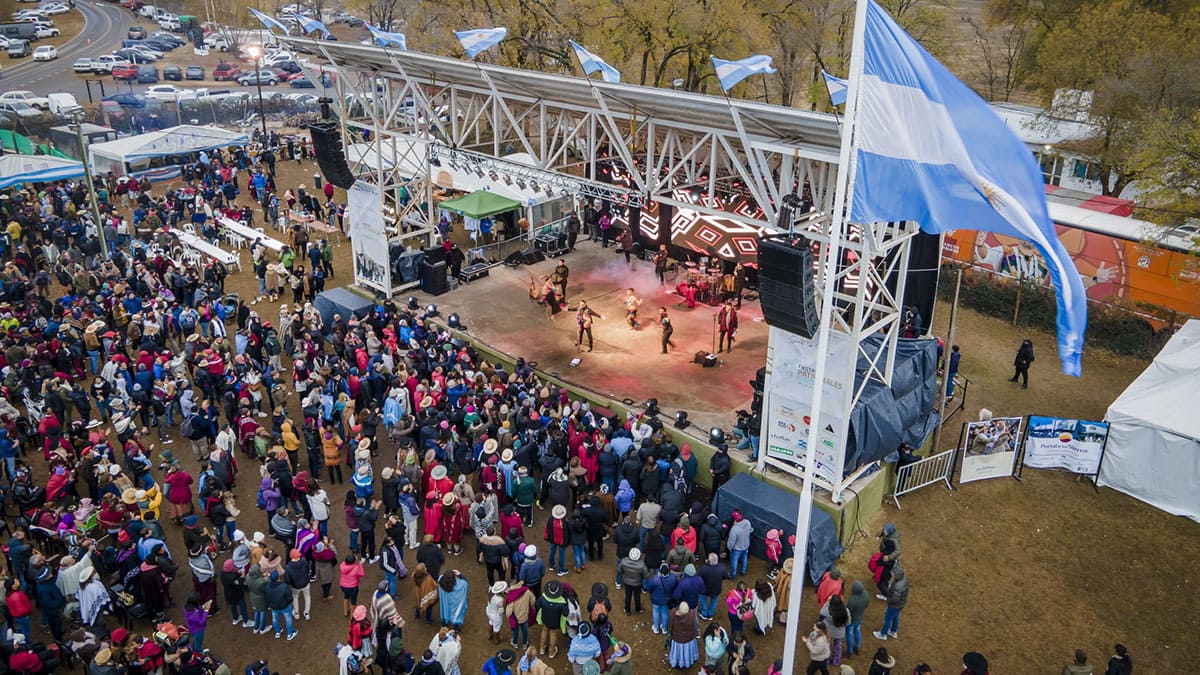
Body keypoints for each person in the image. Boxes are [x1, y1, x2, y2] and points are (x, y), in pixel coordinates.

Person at [872, 564, 907, 641]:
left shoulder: (898, 586)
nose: (892, 575)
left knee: (887, 619)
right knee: (895, 617)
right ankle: (893, 631)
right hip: (900, 605)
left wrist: (888, 600)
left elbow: (894, 599)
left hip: (894, 605)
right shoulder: (903, 580)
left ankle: (883, 634)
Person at [668, 601, 701, 669]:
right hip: (689, 638)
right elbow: (694, 626)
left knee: (678, 652)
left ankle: (676, 661)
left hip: (677, 638)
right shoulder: (692, 615)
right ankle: (687, 662)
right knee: (687, 652)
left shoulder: (674, 615)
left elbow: (671, 626)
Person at [845, 581, 870, 657]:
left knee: (849, 634)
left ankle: (849, 651)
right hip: (860, 618)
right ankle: (857, 647)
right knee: (857, 631)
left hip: (852, 621)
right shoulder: (866, 594)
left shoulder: (852, 600)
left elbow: (848, 611)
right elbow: (866, 605)